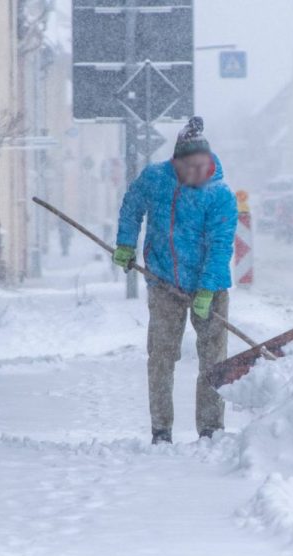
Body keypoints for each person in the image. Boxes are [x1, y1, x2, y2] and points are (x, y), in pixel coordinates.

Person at [113, 117, 238, 444]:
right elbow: (131, 207)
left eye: (202, 165)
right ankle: (161, 430)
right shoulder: (155, 179)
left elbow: (220, 245)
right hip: (163, 281)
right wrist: (126, 243)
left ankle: (210, 429)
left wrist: (207, 289)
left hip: (210, 287)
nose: (196, 172)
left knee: (213, 360)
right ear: (176, 162)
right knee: (161, 357)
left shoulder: (220, 194)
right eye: (189, 167)